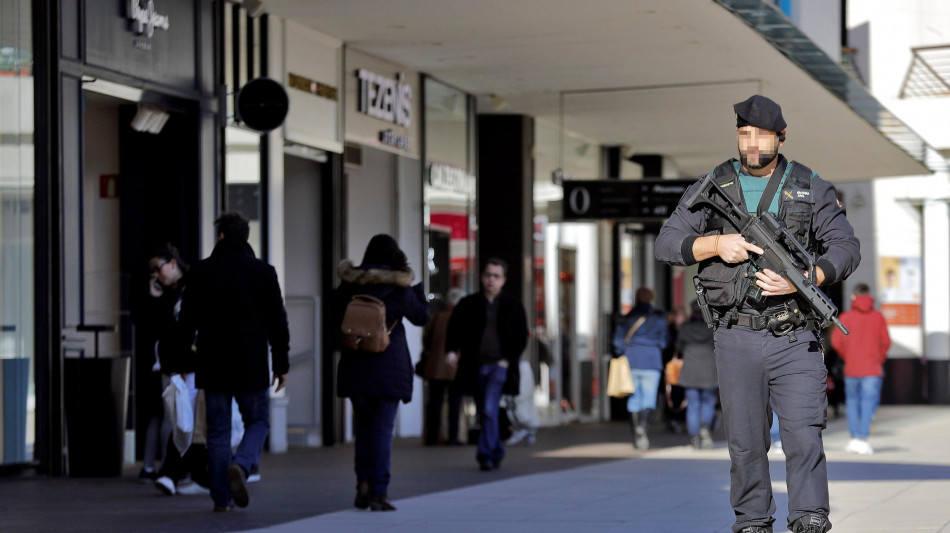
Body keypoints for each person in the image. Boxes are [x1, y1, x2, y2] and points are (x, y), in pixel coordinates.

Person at [655, 95, 860, 533]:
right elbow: (667, 242)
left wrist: (808, 276)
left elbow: (846, 247)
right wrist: (715, 245)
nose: (751, 143)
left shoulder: (810, 186)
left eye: (760, 135)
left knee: (804, 435)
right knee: (745, 445)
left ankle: (808, 517)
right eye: (743, 133)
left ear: (780, 137)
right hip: (736, 335)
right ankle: (752, 522)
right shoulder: (715, 183)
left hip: (795, 334)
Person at [176, 212, 290, 512]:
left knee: (217, 432)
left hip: (212, 363)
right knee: (258, 420)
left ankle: (221, 498)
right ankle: (242, 464)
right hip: (251, 363)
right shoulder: (264, 272)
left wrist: (182, 359)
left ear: (220, 236)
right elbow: (278, 322)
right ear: (247, 236)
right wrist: (281, 363)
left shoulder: (201, 272)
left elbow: (186, 320)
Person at [336, 234, 429, 511]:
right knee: (381, 431)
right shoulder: (399, 286)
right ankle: (379, 491)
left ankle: (362, 483)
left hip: (355, 365)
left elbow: (334, 316)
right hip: (389, 366)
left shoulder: (349, 284)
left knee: (363, 429)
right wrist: (417, 291)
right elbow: (421, 316)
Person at [446, 258, 528, 471]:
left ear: (503, 280)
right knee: (484, 410)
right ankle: (496, 450)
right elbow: (454, 329)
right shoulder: (469, 304)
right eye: (488, 275)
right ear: (482, 277)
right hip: (474, 366)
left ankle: (485, 454)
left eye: (496, 276)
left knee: (490, 408)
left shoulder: (512, 306)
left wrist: (507, 360)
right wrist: (451, 350)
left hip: (499, 367)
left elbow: (521, 336)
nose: (491, 280)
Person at [146, 244, 210, 496]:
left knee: (188, 421)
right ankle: (191, 475)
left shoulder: (193, 284)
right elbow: (158, 329)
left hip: (192, 366)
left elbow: (189, 324)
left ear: (172, 263)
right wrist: (155, 298)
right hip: (172, 367)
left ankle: (172, 473)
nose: (155, 275)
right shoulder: (165, 294)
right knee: (180, 420)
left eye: (157, 268)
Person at [831, 283, 890, 455]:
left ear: (854, 296)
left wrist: (847, 356)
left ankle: (854, 438)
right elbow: (886, 342)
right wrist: (878, 358)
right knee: (867, 404)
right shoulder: (878, 317)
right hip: (872, 369)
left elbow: (836, 342)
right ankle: (863, 438)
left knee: (852, 403)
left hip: (852, 369)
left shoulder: (846, 317)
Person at [612, 287, 668, 450]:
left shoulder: (627, 317)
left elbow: (618, 340)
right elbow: (664, 341)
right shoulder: (658, 318)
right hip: (651, 360)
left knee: (634, 398)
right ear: (651, 299)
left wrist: (623, 352)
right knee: (649, 398)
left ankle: (637, 433)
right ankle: (643, 429)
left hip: (632, 359)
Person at [420, 288, 464, 446]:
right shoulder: (464, 319)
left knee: (435, 403)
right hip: (456, 367)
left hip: (436, 366)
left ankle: (432, 437)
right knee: (455, 403)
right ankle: (453, 437)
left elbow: (426, 341)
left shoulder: (437, 317)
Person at [676, 300, 718, 450]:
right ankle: (705, 428)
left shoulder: (685, 328)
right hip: (709, 368)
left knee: (693, 404)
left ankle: (694, 437)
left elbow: (678, 347)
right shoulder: (712, 327)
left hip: (690, 369)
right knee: (708, 402)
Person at [503, 352, 541, 446]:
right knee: (517, 414)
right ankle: (525, 431)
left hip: (520, 398)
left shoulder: (523, 366)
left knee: (523, 414)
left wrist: (517, 398)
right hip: (516, 397)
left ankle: (526, 431)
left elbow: (526, 387)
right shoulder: (518, 365)